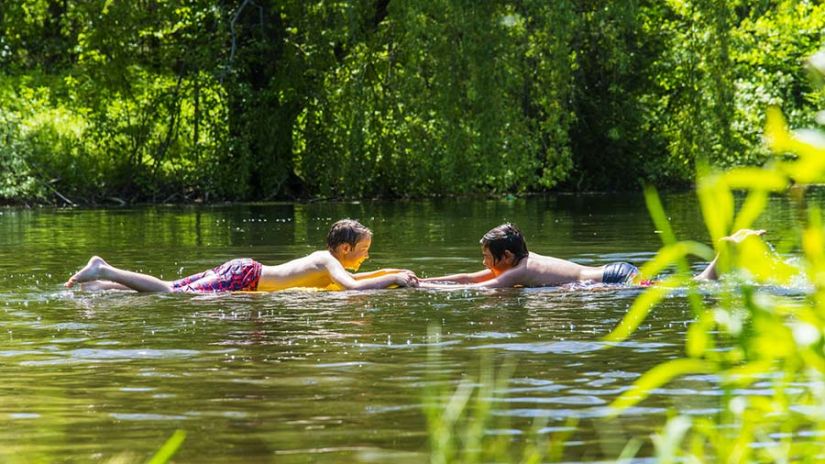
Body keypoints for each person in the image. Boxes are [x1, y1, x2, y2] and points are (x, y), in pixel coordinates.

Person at [65, 219, 419, 292]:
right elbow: (355, 288)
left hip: (244, 270)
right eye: (365, 251)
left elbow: (355, 281)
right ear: (345, 249)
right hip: (245, 277)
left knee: (170, 286)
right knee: (170, 294)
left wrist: (394, 273)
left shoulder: (327, 262)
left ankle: (100, 289)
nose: (366, 258)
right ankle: (104, 270)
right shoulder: (329, 263)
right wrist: (396, 278)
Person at [420, 223, 765, 289]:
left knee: (690, 287)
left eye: (486, 257)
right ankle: (729, 249)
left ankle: (724, 255)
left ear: (506, 256)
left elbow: (474, 286)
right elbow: (472, 276)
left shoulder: (516, 274)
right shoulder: (525, 260)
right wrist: (424, 281)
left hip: (615, 281)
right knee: (682, 284)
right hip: (615, 272)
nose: (484, 264)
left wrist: (423, 287)